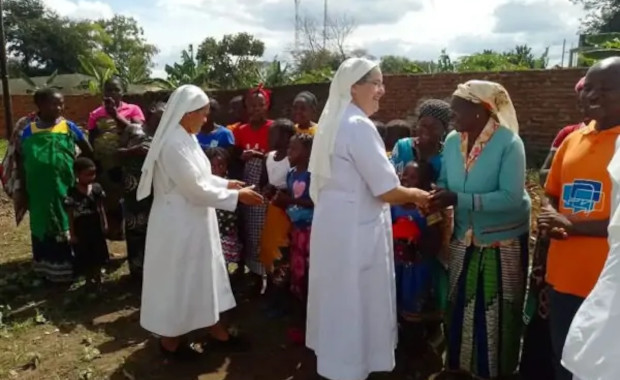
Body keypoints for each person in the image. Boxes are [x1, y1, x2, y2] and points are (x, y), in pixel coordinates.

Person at [306, 57, 429, 380]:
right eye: (375, 83)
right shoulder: (359, 125)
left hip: (334, 225)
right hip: (355, 231)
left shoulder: (332, 123)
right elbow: (387, 188)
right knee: (356, 297)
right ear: (353, 87)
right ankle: (353, 366)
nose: (382, 90)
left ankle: (336, 363)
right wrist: (418, 195)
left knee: (337, 295)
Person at [137, 85, 263, 359]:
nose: (206, 119)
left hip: (193, 220)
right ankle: (171, 342)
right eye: (203, 114)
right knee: (181, 279)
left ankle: (213, 329)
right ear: (186, 113)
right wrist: (236, 195)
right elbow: (194, 187)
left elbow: (202, 176)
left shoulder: (187, 137)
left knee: (200, 276)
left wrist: (226, 182)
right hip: (178, 225)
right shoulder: (172, 143)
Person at [429, 80, 530, 380]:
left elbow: (512, 198)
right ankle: (460, 367)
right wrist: (437, 196)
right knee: (459, 303)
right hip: (464, 236)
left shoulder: (509, 144)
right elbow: (447, 180)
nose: (452, 114)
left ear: (480, 110)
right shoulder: (451, 141)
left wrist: (458, 199)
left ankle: (494, 370)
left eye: (458, 108)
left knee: (496, 308)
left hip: (502, 240)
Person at [538, 57, 620, 380]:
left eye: (606, 89)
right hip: (564, 281)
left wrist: (573, 226)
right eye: (588, 88)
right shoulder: (571, 141)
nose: (593, 96)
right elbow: (551, 193)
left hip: (608, 289)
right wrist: (548, 214)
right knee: (564, 362)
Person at [16, 88, 93, 283]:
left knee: (66, 222)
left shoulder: (69, 127)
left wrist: (82, 174)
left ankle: (68, 268)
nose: (58, 107)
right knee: (42, 225)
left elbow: (88, 150)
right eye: (53, 103)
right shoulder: (28, 131)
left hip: (64, 187)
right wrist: (24, 188)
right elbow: (20, 158)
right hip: (38, 191)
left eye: (61, 103)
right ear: (39, 105)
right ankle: (45, 269)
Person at [270, 133, 314, 345]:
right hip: (296, 232)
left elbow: (316, 202)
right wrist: (282, 202)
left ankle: (312, 323)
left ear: (307, 153)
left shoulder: (313, 175)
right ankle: (301, 319)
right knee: (298, 275)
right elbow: (291, 202)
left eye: (294, 149)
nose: (289, 152)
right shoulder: (291, 174)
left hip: (312, 233)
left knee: (310, 276)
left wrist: (290, 199)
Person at [88, 77, 145, 241]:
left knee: (127, 198)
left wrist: (115, 114)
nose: (112, 93)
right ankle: (115, 233)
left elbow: (137, 132)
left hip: (129, 162)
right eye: (108, 90)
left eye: (116, 89)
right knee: (110, 199)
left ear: (123, 92)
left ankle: (130, 231)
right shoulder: (95, 114)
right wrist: (95, 161)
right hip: (106, 163)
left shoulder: (133, 109)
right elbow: (92, 139)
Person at [118, 101, 165, 281]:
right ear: (152, 109)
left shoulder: (164, 134)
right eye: (164, 110)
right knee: (135, 229)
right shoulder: (133, 129)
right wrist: (133, 151)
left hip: (157, 188)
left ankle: (154, 272)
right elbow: (117, 152)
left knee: (154, 229)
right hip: (133, 188)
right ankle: (136, 272)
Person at [233, 84, 274, 276]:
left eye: (260, 105)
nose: (256, 109)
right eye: (252, 105)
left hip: (266, 183)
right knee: (250, 228)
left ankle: (268, 272)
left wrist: (257, 154)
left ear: (267, 105)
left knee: (265, 229)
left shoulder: (273, 128)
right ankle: (255, 272)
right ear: (246, 108)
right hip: (248, 182)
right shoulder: (241, 131)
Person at [64, 157, 109, 289]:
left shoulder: (96, 189)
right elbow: (70, 215)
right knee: (85, 255)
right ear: (77, 175)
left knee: (98, 254)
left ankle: (98, 279)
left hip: (96, 228)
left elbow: (100, 208)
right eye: (87, 174)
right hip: (81, 230)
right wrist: (72, 234)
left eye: (93, 174)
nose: (91, 177)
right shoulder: (72, 193)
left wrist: (104, 224)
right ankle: (89, 281)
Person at [259, 119, 295, 273]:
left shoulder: (291, 159)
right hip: (273, 207)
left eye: (275, 135)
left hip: (288, 208)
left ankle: (284, 278)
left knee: (284, 244)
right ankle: (272, 277)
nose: (270, 138)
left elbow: (296, 185)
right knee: (269, 244)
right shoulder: (268, 157)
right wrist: (266, 189)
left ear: (287, 138)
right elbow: (264, 181)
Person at [539, 76, 589, 184]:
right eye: (582, 104)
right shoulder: (568, 134)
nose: (586, 109)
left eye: (594, 102)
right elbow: (543, 174)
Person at [391, 99, 451, 178]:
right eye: (423, 125)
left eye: (434, 127)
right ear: (417, 125)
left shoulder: (447, 156)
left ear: (444, 129)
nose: (427, 130)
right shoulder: (402, 147)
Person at [206, 147, 243, 270]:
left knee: (223, 265)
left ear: (227, 165)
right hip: (209, 231)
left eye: (220, 165)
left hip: (227, 231)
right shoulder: (204, 185)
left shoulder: (232, 184)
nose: (216, 169)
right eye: (212, 166)